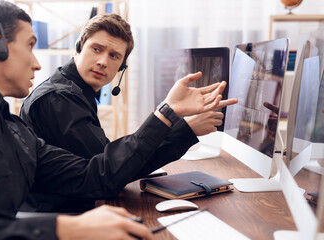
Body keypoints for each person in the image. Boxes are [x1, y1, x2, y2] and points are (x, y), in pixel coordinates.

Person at [0, 1, 229, 239]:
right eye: (30, 46)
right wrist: (66, 227)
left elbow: (98, 174)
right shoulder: (53, 99)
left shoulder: (12, 128)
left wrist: (168, 117)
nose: (36, 63)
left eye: (114, 56)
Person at [20, 13, 238, 212]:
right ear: (79, 48)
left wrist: (185, 130)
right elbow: (110, 174)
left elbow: (119, 164)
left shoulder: (75, 92)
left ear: (121, 67)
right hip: (59, 217)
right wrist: (176, 122)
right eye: (96, 49)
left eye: (114, 56)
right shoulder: (59, 99)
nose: (103, 62)